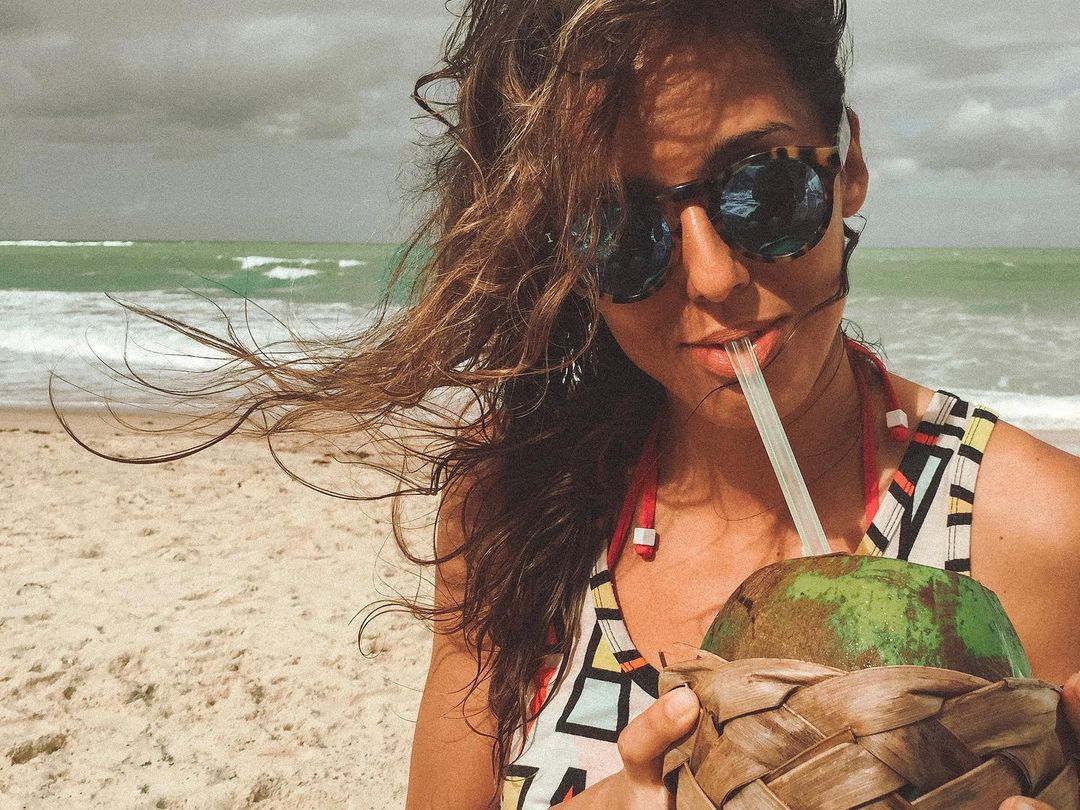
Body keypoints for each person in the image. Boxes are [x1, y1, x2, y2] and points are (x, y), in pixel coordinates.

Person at [396, 1, 1080, 809]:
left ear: (847, 165)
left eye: (763, 187)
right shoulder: (514, 510)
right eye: (618, 227)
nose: (714, 277)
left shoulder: (1045, 532)